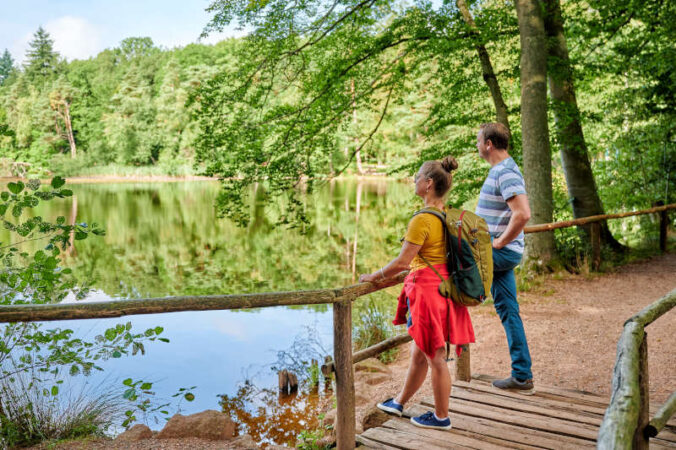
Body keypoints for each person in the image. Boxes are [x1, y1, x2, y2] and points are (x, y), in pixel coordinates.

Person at [359, 156, 475, 430]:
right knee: (420, 352)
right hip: (444, 287)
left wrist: (374, 276)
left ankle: (441, 417)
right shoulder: (447, 215)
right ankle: (399, 401)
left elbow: (402, 262)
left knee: (435, 356)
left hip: (426, 291)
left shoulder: (423, 219)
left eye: (417, 177)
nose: (414, 181)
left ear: (428, 183)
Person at [475, 122, 534, 394]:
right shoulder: (501, 171)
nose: (477, 145)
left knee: (449, 275)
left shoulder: (506, 172)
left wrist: (499, 242)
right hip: (501, 254)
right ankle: (522, 376)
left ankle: (436, 347)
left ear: (489, 144)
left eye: (479, 140)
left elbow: (522, 213)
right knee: (509, 311)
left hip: (500, 253)